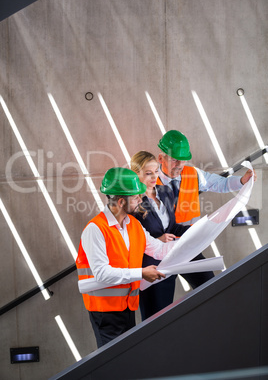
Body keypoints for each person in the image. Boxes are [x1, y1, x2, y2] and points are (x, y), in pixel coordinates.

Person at [76, 167, 176, 347]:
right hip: (104, 311)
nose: (140, 199)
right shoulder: (96, 229)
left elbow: (160, 250)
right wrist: (141, 273)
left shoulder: (134, 225)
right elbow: (102, 273)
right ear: (121, 201)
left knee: (127, 359)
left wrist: (192, 240)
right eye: (136, 196)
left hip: (128, 306)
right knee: (113, 366)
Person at [156, 130, 256, 287]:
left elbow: (219, 183)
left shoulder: (193, 174)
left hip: (187, 246)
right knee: (159, 305)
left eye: (183, 160)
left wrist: (242, 181)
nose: (179, 165)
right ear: (161, 158)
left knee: (208, 289)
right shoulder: (147, 181)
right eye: (175, 160)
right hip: (159, 252)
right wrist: (155, 241)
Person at [130, 151, 192, 320]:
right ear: (136, 175)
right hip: (150, 270)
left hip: (169, 265)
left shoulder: (165, 192)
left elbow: (171, 226)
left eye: (156, 171)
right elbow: (130, 240)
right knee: (153, 321)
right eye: (148, 173)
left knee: (165, 318)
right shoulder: (133, 202)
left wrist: (194, 230)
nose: (154, 177)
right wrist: (157, 240)